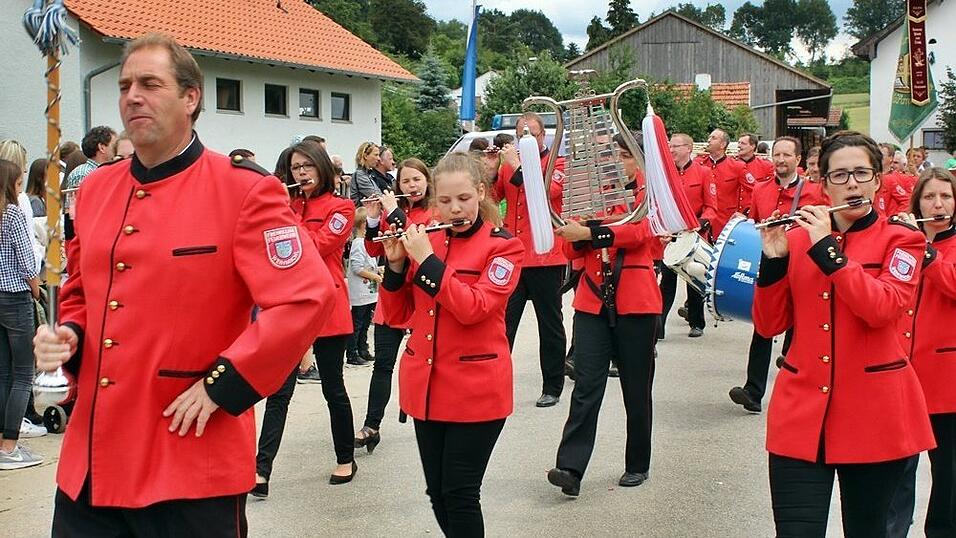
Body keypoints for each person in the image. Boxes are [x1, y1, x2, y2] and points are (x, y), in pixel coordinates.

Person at [32, 33, 334, 536]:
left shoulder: (244, 189)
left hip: (190, 457)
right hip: (93, 462)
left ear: (191, 97)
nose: (133, 96)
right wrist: (71, 334)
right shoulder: (97, 188)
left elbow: (306, 298)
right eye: (125, 85)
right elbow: (83, 290)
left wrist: (225, 385)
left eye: (150, 84)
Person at [752, 130, 935, 536]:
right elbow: (768, 325)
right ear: (824, 185)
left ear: (877, 180)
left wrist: (827, 252)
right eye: (839, 175)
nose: (852, 184)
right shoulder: (797, 239)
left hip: (875, 415)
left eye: (861, 173)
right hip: (801, 413)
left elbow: (882, 308)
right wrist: (774, 262)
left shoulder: (903, 240)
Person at [378, 152, 523, 537]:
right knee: (437, 493)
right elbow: (398, 315)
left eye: (463, 198)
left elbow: (475, 308)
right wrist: (396, 266)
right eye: (444, 201)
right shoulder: (427, 241)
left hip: (476, 389)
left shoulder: (504, 247)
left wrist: (427, 263)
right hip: (426, 387)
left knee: (460, 494)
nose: (454, 209)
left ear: (481, 193)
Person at [546, 138, 662, 496]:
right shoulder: (593, 195)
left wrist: (591, 231)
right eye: (611, 156)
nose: (615, 162)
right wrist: (578, 235)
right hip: (593, 301)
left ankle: (637, 463)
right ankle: (570, 467)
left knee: (636, 388)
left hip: (636, 302)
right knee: (586, 386)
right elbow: (570, 246)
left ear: (638, 161)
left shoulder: (648, 193)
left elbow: (640, 233)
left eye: (624, 156)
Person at [728, 136, 828, 414]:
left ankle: (797, 386)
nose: (781, 160)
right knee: (762, 325)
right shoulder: (760, 189)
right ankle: (753, 391)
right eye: (777, 155)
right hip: (771, 261)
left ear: (798, 159)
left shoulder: (816, 191)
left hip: (803, 263)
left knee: (800, 325)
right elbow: (754, 225)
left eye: (787, 155)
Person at [286, 140, 358, 483]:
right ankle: (262, 468)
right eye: (296, 167)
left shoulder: (341, 207)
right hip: (289, 303)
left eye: (307, 166)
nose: (301, 173)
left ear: (322, 167)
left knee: (333, 388)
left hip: (327, 302)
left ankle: (346, 458)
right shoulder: (288, 204)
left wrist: (285, 219)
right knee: (278, 393)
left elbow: (316, 246)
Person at [357, 157, 436, 452]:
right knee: (383, 363)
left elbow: (416, 240)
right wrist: (374, 219)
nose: (411, 186)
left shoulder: (435, 212)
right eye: (405, 181)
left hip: (424, 296)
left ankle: (431, 418)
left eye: (417, 179)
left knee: (428, 360)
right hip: (393, 294)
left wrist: (392, 212)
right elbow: (373, 248)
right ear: (397, 184)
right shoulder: (395, 212)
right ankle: (371, 425)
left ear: (427, 181)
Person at [896, 167, 956, 537]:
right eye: (930, 197)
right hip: (900, 371)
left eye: (946, 197)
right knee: (895, 470)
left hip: (946, 379)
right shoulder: (901, 242)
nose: (937, 204)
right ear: (917, 202)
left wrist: (926, 251)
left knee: (948, 473)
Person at [496, 112, 568, 408]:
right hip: (514, 256)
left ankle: (552, 385)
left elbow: (550, 191)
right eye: (521, 134)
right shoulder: (508, 164)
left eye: (531, 133)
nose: (525, 138)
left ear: (542, 136)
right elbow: (492, 196)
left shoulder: (556, 163)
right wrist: (488, 169)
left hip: (545, 255)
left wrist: (517, 165)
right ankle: (495, 383)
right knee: (503, 324)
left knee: (549, 324)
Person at [0, 159, 43, 470]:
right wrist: (36, 288)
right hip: (15, 296)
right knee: (24, 373)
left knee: (3, 372)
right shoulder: (13, 214)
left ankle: (3, 441)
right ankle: (10, 444)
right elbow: (27, 261)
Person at [659, 132, 715, 339]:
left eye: (676, 146)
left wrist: (699, 224)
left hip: (693, 236)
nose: (671, 150)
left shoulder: (703, 172)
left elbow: (711, 208)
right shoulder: (665, 173)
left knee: (694, 281)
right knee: (666, 283)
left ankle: (697, 322)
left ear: (688, 148)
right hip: (670, 237)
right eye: (670, 146)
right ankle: (658, 327)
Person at [697, 128, 754, 240]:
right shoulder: (699, 164)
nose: (708, 140)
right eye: (709, 137)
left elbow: (757, 190)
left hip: (724, 225)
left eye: (713, 138)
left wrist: (746, 213)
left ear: (723, 144)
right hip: (701, 224)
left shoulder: (736, 167)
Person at [346, 206, 380, 365]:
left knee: (365, 322)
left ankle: (363, 349)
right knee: (357, 323)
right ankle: (352, 353)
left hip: (369, 292)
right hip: (360, 292)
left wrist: (377, 270)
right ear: (364, 224)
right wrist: (375, 276)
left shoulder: (367, 243)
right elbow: (357, 268)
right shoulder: (359, 243)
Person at [62, 125, 117, 190]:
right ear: (101, 147)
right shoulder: (82, 174)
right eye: (114, 145)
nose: (117, 148)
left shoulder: (109, 171)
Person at [349, 141, 382, 206]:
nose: (379, 159)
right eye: (376, 155)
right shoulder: (360, 175)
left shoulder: (369, 174)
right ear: (365, 156)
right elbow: (376, 196)